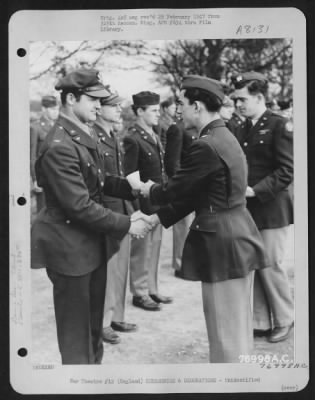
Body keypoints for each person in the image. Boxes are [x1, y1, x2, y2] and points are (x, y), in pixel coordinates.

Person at [139, 75, 269, 363]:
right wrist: (157, 218)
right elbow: (198, 195)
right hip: (236, 236)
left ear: (197, 106)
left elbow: (175, 189)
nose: (178, 110)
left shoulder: (205, 144)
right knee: (235, 327)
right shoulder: (225, 136)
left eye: (182, 104)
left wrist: (147, 189)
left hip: (221, 242)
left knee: (225, 333)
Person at [31, 69, 152, 364]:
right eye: (92, 100)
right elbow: (79, 204)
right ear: (71, 99)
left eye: (100, 100)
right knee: (76, 340)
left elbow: (98, 181)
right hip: (69, 250)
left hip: (89, 246)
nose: (99, 106)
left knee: (92, 330)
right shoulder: (60, 145)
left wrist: (134, 189)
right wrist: (127, 223)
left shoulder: (80, 136)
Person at [233, 71, 294, 343]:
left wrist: (256, 190)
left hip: (271, 208)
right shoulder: (244, 126)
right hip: (251, 210)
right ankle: (259, 321)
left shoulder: (279, 125)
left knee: (271, 265)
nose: (237, 105)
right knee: (256, 264)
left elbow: (287, 169)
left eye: (242, 99)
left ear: (259, 97)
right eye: (235, 100)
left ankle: (284, 318)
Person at [93, 88, 137, 345]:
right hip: (108, 212)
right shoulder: (95, 137)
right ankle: (103, 322)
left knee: (121, 268)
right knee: (108, 271)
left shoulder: (113, 135)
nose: (119, 110)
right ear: (100, 108)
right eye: (114, 106)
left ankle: (117, 314)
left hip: (121, 209)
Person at [123, 91, 173, 311]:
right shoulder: (132, 138)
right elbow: (130, 176)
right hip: (144, 204)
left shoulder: (153, 134)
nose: (157, 114)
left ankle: (151, 288)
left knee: (155, 247)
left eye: (158, 109)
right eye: (153, 110)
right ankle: (140, 292)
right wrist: (137, 209)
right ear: (140, 111)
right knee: (141, 250)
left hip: (157, 201)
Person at [164, 115, 197, 274]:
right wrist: (181, 185)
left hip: (199, 183)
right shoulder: (177, 128)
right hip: (184, 185)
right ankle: (180, 264)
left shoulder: (199, 126)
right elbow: (172, 162)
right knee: (183, 226)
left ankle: (193, 261)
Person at [30, 95, 59, 212]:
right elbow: (32, 156)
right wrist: (35, 179)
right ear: (43, 109)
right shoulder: (35, 128)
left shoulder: (58, 127)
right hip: (43, 177)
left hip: (58, 177)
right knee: (43, 212)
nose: (55, 112)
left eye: (57, 109)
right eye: (52, 109)